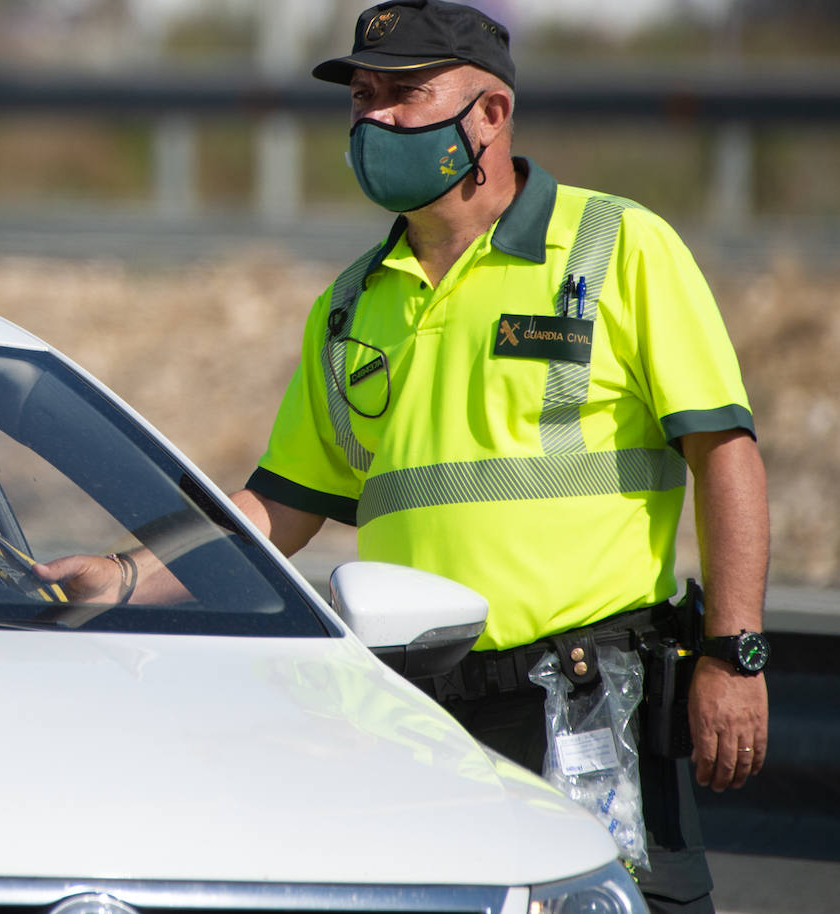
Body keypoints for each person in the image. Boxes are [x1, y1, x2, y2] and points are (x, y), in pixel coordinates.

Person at [44, 2, 768, 911]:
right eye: (363, 96)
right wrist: (120, 575)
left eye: (405, 93)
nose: (374, 118)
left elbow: (725, 452)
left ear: (491, 115)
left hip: (590, 706)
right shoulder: (348, 306)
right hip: (417, 718)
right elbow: (280, 506)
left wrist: (733, 655)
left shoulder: (618, 248)